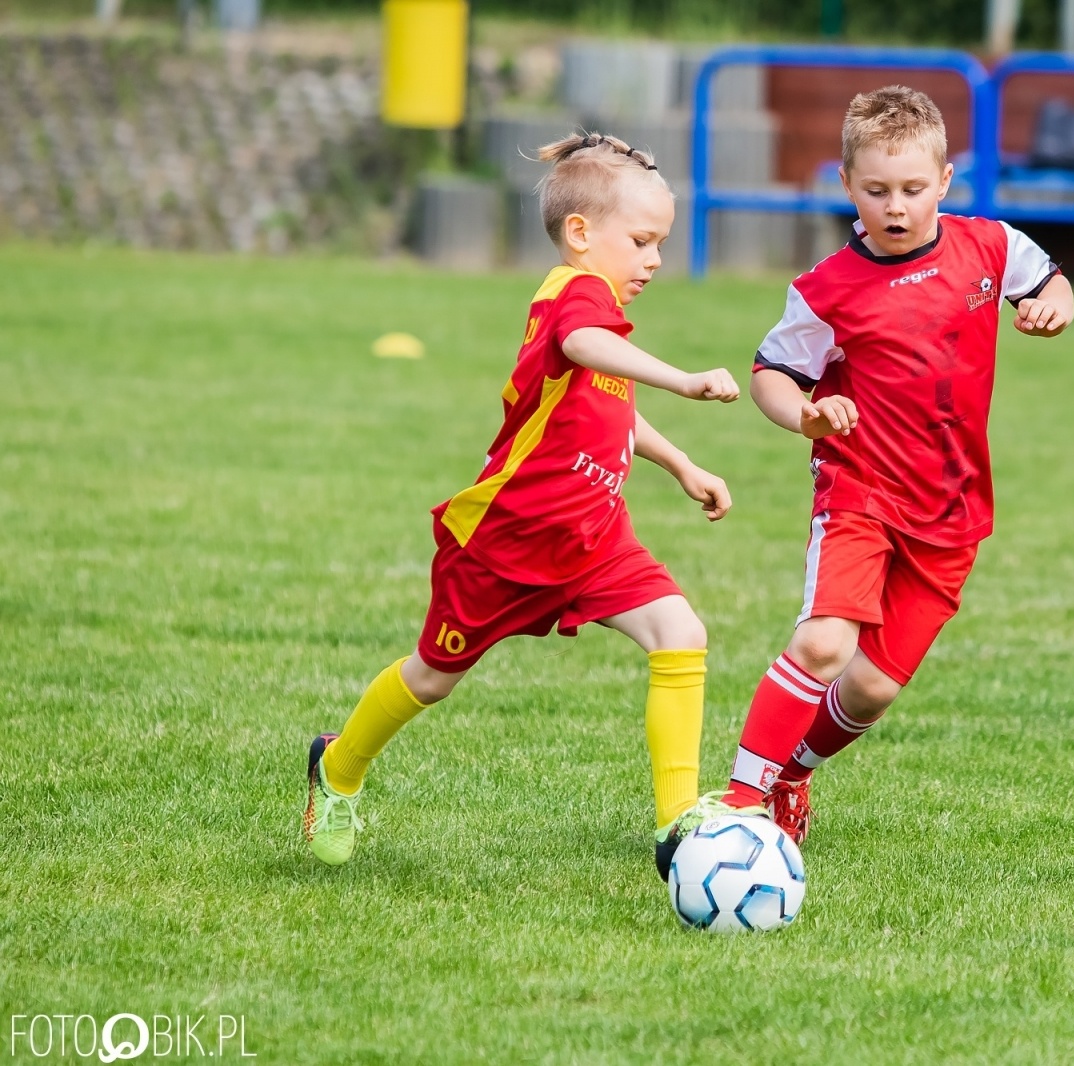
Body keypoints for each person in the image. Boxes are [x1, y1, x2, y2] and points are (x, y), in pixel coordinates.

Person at [301, 133, 743, 872]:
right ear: (580, 234)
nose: (654, 260)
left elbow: (609, 398)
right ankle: (338, 768)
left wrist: (680, 462)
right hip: (505, 542)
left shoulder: (602, 316)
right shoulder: (572, 297)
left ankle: (677, 824)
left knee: (680, 631)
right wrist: (687, 379)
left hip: (593, 538)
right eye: (641, 241)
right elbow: (585, 352)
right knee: (431, 678)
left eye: (659, 243)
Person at [687, 86, 1074, 851]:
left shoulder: (992, 247)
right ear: (845, 185)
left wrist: (1054, 304)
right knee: (827, 645)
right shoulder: (826, 290)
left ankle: (790, 776)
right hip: (859, 491)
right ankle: (736, 803)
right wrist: (803, 412)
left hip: (953, 510)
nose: (895, 208)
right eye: (875, 191)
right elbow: (771, 372)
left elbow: (1048, 278)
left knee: (870, 687)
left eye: (911, 190)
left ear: (945, 181)